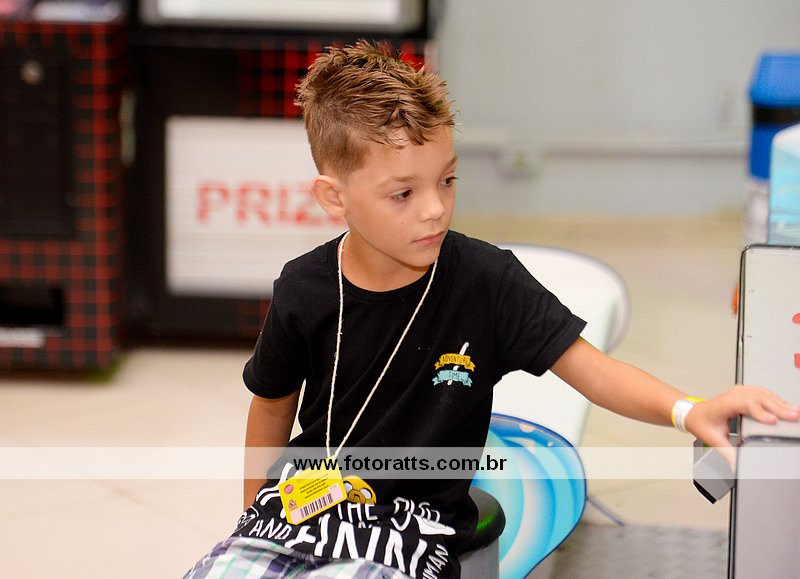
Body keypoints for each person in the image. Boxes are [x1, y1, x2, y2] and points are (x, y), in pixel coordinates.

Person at [183, 40, 800, 579]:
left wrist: (689, 410)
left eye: (446, 181)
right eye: (403, 193)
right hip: (296, 508)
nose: (434, 208)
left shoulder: (486, 282)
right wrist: (250, 519)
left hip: (408, 528)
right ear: (333, 197)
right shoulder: (304, 287)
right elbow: (271, 406)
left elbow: (594, 370)